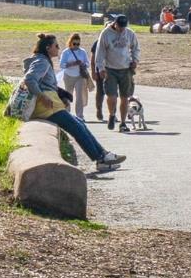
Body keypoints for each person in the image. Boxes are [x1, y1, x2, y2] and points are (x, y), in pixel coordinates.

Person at [24, 34, 126, 173]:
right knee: (76, 127)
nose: (58, 48)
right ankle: (101, 158)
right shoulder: (42, 62)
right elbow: (30, 79)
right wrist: (42, 96)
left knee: (79, 123)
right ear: (48, 48)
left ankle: (103, 155)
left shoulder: (41, 59)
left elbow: (43, 83)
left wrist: (62, 94)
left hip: (49, 106)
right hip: (46, 108)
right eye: (56, 46)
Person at [93, 13, 140, 132]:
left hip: (126, 69)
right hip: (110, 69)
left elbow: (135, 48)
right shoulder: (106, 34)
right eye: (120, 27)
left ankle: (123, 123)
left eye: (124, 27)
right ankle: (112, 114)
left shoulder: (129, 33)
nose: (122, 29)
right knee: (111, 96)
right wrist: (100, 68)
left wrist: (135, 60)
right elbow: (100, 52)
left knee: (125, 97)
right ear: (115, 24)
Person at [58, 32, 92, 119]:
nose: (76, 45)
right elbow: (61, 65)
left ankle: (80, 116)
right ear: (70, 42)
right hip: (68, 76)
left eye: (78, 44)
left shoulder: (82, 52)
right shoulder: (66, 52)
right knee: (68, 95)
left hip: (79, 76)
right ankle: (67, 114)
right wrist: (72, 64)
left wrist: (83, 64)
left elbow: (88, 63)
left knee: (79, 96)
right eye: (74, 43)